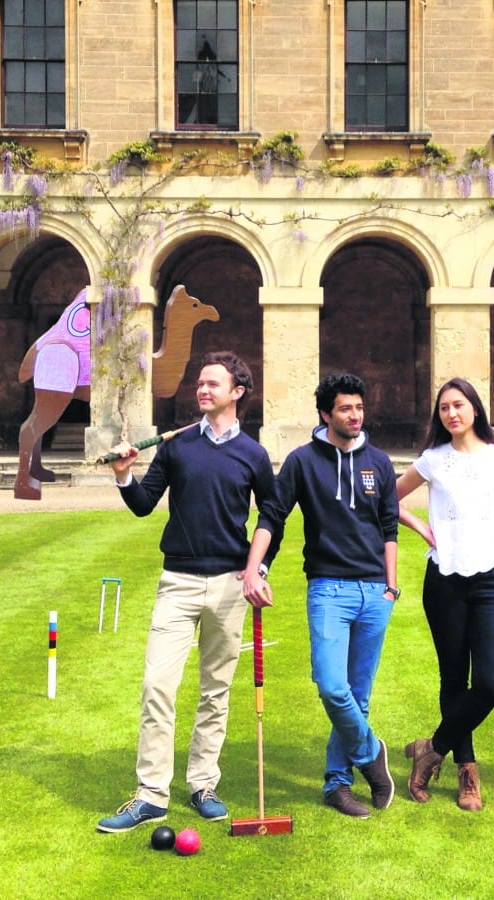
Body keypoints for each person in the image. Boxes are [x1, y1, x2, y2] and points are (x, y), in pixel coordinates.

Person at [97, 350, 280, 833]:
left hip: (228, 585)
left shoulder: (254, 455)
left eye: (212, 384)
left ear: (236, 393)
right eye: (199, 383)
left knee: (215, 693)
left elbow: (273, 516)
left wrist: (256, 569)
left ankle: (203, 783)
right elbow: (142, 504)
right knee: (157, 686)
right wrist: (124, 474)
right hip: (177, 582)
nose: (201, 390)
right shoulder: (177, 447)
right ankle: (151, 794)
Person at [395, 378, 494, 811]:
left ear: (475, 409)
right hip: (444, 581)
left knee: (490, 683)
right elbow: (386, 500)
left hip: (493, 582)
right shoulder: (432, 460)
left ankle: (432, 748)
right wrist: (421, 527)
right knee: (454, 679)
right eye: (444, 407)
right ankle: (468, 770)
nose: (452, 413)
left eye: (459, 405)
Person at [242, 373, 399, 819]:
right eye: (345, 408)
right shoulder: (301, 462)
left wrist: (390, 586)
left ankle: (338, 784)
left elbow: (389, 527)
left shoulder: (381, 463)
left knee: (358, 695)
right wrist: (254, 568)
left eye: (359, 407)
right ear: (326, 414)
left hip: (375, 592)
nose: (355, 415)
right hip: (328, 588)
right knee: (332, 687)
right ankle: (371, 756)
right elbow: (272, 516)